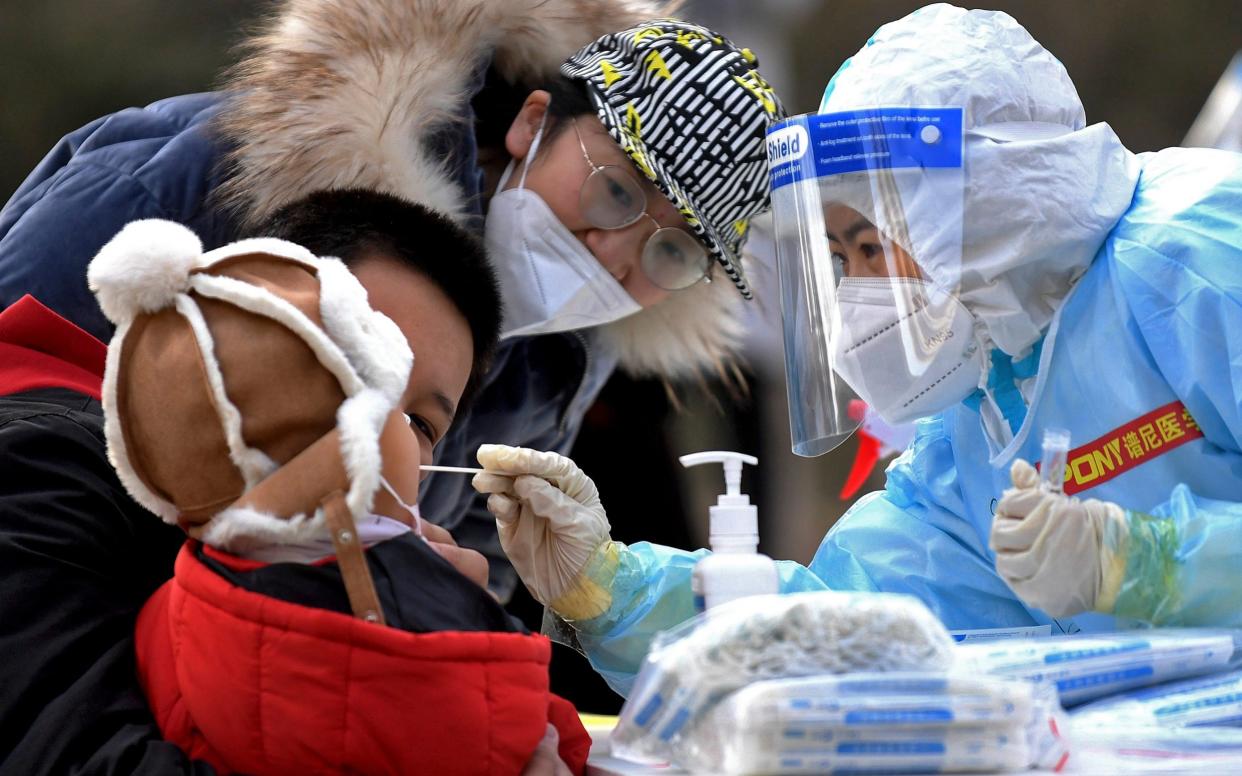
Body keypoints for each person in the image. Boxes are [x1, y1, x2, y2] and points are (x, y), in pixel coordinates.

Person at [469, 2, 1242, 695]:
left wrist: (1151, 563)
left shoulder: (1201, 257)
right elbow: (849, 624)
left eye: (873, 244)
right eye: (839, 258)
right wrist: (611, 587)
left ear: (985, 204)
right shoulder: (979, 418)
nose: (860, 291)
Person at [0, 1, 784, 600]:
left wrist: (443, 593)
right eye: (614, 191)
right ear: (534, 123)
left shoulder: (559, 361)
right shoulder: (211, 169)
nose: (612, 252)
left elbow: (447, 562)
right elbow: (17, 378)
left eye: (671, 250)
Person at [0, 189, 539, 774]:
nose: (379, 431)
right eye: (353, 363)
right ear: (240, 320)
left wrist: (439, 654)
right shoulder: (41, 465)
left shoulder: (340, 566)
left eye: (420, 422)